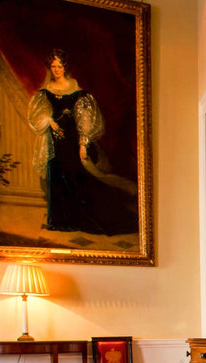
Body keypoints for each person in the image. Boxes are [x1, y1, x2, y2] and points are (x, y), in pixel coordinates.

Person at [27, 49, 137, 236]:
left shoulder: (78, 92)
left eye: (59, 66)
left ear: (66, 67)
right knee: (57, 174)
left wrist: (83, 144)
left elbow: (86, 120)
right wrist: (50, 121)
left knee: (76, 176)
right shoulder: (45, 91)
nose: (56, 70)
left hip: (73, 141)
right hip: (55, 142)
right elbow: (36, 115)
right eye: (53, 66)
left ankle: (82, 218)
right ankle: (61, 221)